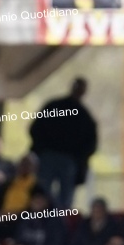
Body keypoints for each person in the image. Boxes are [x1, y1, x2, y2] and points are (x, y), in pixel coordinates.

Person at [29, 78, 98, 209]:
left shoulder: (83, 116)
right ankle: (42, 214)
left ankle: (60, 216)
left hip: (67, 159)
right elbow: (36, 129)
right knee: (43, 191)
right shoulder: (56, 107)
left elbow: (91, 143)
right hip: (50, 156)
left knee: (64, 196)